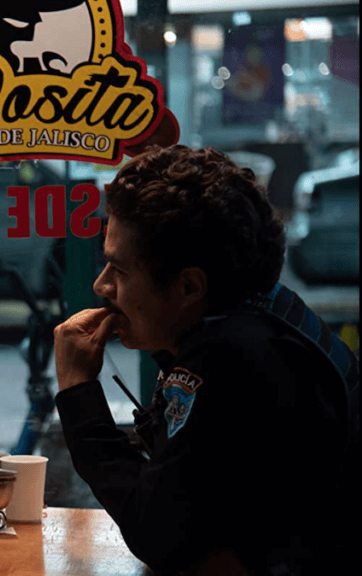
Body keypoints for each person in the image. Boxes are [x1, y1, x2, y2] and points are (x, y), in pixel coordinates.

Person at [52, 145, 358, 575]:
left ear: (190, 287)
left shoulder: (233, 359)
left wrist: (77, 390)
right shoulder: (262, 318)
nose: (101, 286)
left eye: (118, 270)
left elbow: (156, 533)